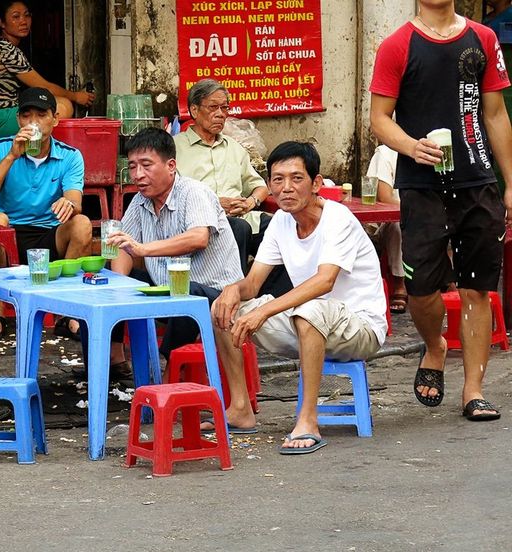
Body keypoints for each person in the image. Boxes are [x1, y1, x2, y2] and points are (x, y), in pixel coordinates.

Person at [370, 0, 512, 420]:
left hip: (478, 182)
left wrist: (510, 184)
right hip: (422, 186)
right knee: (420, 288)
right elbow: (380, 117)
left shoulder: (482, 38)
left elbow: (496, 113)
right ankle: (434, 345)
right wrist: (411, 146)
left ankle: (473, 389)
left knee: (477, 288)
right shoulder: (398, 44)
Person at [209, 141, 387, 452]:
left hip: (360, 328)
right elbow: (252, 285)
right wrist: (231, 291)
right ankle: (240, 407)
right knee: (224, 310)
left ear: (316, 183)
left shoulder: (338, 218)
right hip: (309, 323)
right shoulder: (280, 221)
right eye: (278, 179)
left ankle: (308, 420)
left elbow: (324, 281)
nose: (286, 188)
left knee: (309, 311)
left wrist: (264, 312)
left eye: (296, 178)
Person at [106, 127, 243, 370]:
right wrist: (118, 287)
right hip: (166, 288)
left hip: (216, 295)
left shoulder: (193, 192)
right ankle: (114, 357)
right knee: (110, 281)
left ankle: (172, 369)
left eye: (146, 165)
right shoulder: (140, 201)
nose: (137, 174)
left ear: (171, 166)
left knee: (187, 293)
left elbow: (198, 237)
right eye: (133, 166)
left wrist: (144, 249)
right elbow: (124, 247)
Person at [0, 86, 92, 338]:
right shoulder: (2, 148)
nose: (33, 122)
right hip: (10, 235)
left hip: (49, 235)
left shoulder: (70, 156)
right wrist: (11, 157)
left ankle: (66, 312)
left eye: (41, 115)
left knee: (81, 224)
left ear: (55, 119)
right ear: (18, 120)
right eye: (26, 116)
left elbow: (74, 198)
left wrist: (69, 204)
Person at [173, 79, 291, 298]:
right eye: (213, 107)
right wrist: (214, 204)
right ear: (194, 110)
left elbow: (259, 186)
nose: (221, 114)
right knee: (237, 228)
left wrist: (250, 202)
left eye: (225, 107)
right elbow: (172, 195)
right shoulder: (176, 148)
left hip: (243, 217)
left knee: (287, 227)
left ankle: (268, 299)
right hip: (202, 224)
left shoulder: (234, 148)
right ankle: (233, 297)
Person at [0, 0, 95, 138]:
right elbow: (44, 87)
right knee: (63, 106)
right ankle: (39, 153)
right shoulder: (6, 51)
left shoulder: (2, 47)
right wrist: (76, 96)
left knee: (51, 108)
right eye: (16, 16)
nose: (23, 21)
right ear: (1, 22)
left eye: (27, 15)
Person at [364, 145, 408, 313]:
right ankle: (399, 282)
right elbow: (386, 198)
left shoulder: (433, 148)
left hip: (423, 217)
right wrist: (417, 210)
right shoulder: (386, 153)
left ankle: (450, 283)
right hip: (388, 223)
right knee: (397, 223)